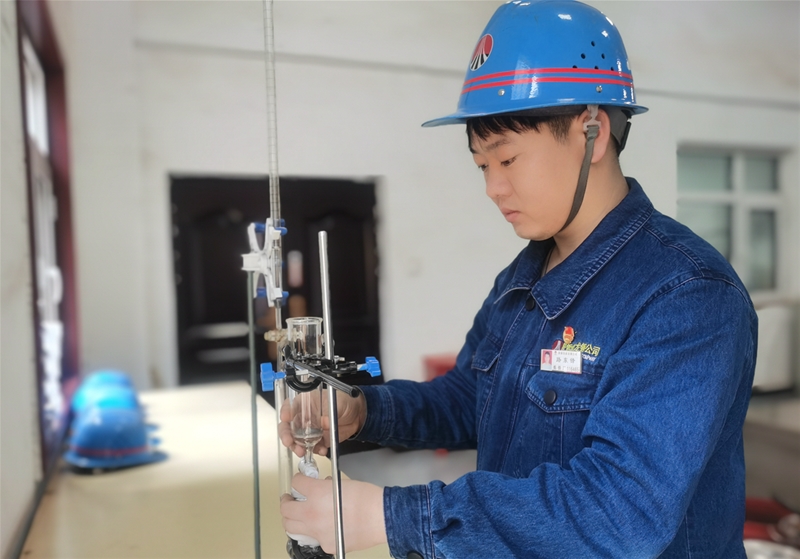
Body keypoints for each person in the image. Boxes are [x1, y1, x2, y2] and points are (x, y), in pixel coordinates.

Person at [279, 1, 757, 557]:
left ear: (593, 132)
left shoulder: (687, 296)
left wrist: (387, 517)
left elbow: (618, 512)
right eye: (482, 165)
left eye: (507, 160)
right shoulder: (524, 277)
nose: (493, 189)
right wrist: (364, 411)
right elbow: (471, 398)